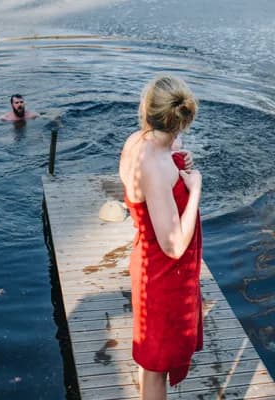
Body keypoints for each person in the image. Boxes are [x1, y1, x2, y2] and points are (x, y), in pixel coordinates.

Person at [119, 75, 202, 400]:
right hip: (163, 276)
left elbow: (156, 165)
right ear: (181, 120)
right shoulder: (155, 165)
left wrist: (179, 160)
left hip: (148, 261)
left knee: (151, 362)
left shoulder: (137, 142)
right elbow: (174, 245)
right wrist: (194, 189)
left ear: (147, 110)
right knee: (156, 370)